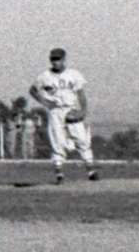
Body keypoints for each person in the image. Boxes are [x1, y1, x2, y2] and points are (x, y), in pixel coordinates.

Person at [29, 47, 96, 183]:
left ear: (64, 59)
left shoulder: (73, 74)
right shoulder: (44, 76)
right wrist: (45, 102)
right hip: (56, 111)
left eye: (58, 59)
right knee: (57, 142)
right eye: (53, 59)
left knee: (81, 140)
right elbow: (33, 90)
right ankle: (59, 174)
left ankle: (91, 171)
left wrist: (83, 111)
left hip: (71, 109)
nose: (55, 62)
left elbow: (81, 94)